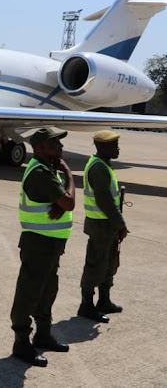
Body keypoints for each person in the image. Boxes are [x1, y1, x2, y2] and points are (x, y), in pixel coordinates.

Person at [10, 128, 75, 367]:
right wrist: (69, 175)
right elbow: (68, 202)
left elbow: (63, 203)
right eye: (55, 143)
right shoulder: (41, 172)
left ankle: (43, 334)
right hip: (38, 243)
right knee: (28, 293)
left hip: (51, 243)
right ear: (39, 148)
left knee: (47, 289)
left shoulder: (48, 170)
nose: (60, 147)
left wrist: (62, 201)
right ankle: (21, 343)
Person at [77, 130, 128, 323]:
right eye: (113, 145)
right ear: (102, 147)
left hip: (107, 224)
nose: (117, 148)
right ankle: (86, 306)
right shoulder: (99, 167)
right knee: (95, 265)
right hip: (101, 224)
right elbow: (105, 201)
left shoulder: (104, 165)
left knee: (109, 263)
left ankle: (104, 300)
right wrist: (121, 224)